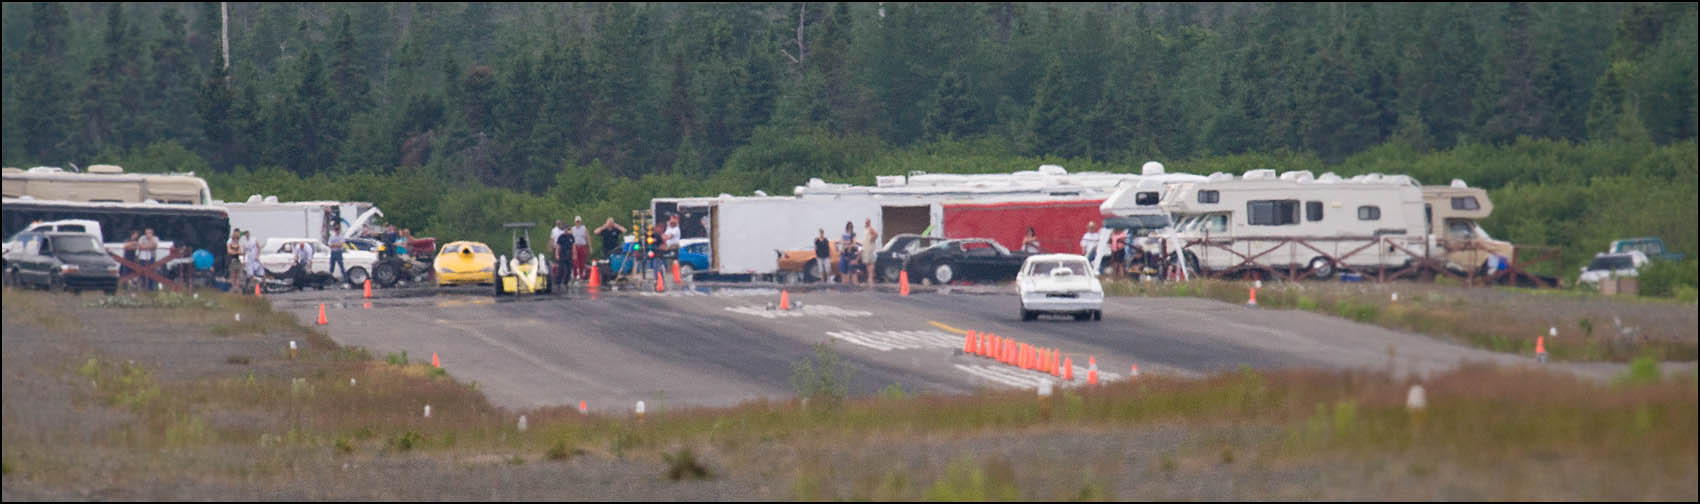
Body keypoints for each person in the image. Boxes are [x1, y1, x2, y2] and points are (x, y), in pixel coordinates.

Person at [554, 222, 575, 287]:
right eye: (565, 229)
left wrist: (574, 254)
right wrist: (557, 254)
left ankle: (566, 282)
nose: (566, 230)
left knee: (569, 269)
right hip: (562, 253)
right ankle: (558, 282)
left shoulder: (571, 236)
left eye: (568, 229)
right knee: (561, 269)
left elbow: (573, 246)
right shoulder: (561, 237)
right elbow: (558, 246)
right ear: (564, 229)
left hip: (569, 254)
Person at [571, 216, 590, 281]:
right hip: (575, 246)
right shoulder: (572, 229)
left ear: (580, 221)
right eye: (577, 221)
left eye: (579, 221)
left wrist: (590, 246)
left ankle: (581, 275)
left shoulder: (584, 228)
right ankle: (575, 274)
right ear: (575, 222)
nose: (578, 223)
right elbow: (571, 238)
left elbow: (587, 237)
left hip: (582, 246)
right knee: (575, 261)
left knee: (582, 261)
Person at [549, 219, 567, 284]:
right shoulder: (554, 230)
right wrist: (550, 246)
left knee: (563, 263)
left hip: (563, 248)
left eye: (559, 223)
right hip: (555, 247)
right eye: (557, 223)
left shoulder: (563, 230)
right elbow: (552, 239)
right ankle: (555, 276)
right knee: (556, 262)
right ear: (556, 224)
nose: (559, 224)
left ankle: (562, 276)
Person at [863, 219, 879, 287]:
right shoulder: (866, 229)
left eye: (867, 222)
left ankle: (870, 278)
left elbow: (876, 234)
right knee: (867, 263)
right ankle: (869, 278)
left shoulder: (870, 228)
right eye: (866, 222)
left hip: (870, 249)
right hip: (866, 248)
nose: (866, 223)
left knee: (871, 263)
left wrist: (872, 239)